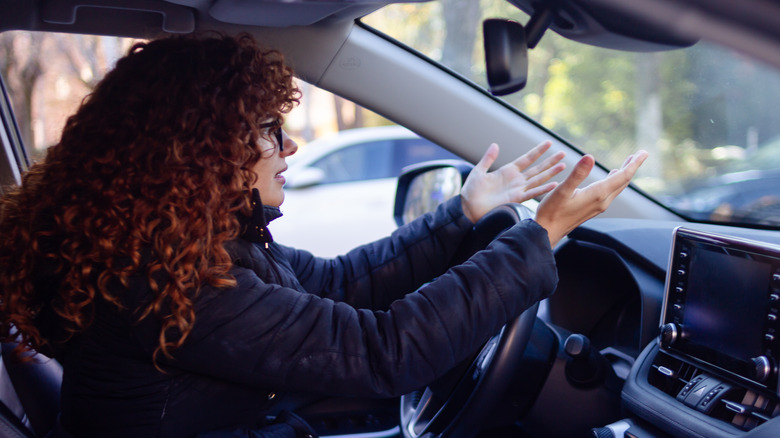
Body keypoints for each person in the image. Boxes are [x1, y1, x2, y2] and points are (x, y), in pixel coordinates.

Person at [0, 34, 647, 438]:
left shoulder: (190, 251)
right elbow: (383, 353)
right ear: (197, 149)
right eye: (266, 129)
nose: (290, 146)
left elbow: (339, 284)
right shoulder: (166, 282)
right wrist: (541, 234)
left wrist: (463, 214)